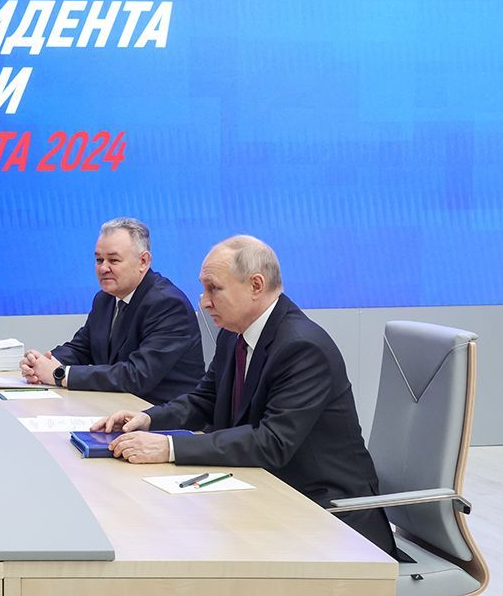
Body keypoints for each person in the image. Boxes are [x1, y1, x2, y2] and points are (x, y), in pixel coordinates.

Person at [93, 235, 395, 556]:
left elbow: (271, 442)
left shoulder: (302, 347)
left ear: (255, 285)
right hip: (267, 494)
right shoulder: (233, 334)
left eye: (214, 288)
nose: (204, 302)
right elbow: (205, 399)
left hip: (328, 516)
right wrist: (149, 419)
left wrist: (168, 447)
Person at [20, 218, 203, 404]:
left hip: (161, 413)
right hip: (118, 406)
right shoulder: (105, 299)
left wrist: (60, 374)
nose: (103, 268)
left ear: (143, 261)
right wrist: (42, 363)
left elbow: (136, 375)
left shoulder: (168, 304)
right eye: (99, 260)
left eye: (113, 260)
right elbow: (82, 348)